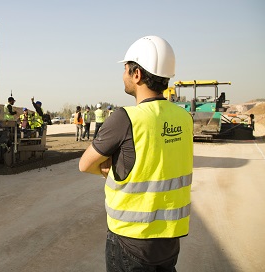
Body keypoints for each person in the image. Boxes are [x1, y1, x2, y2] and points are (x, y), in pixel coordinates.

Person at [78, 35, 193, 271]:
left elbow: (85, 164)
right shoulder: (184, 118)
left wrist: (110, 166)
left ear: (137, 74)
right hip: (170, 241)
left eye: (125, 69)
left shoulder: (126, 118)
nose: (123, 75)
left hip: (131, 241)